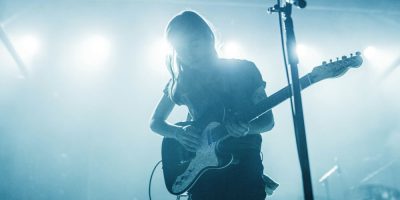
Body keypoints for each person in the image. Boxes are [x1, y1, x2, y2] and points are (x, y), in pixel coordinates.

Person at [150, 10, 274, 200]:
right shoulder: (181, 82)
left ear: (208, 38)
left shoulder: (244, 70)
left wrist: (246, 128)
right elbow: (155, 121)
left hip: (245, 171)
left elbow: (268, 121)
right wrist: (177, 133)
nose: (188, 55)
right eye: (181, 50)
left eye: (193, 45)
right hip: (203, 177)